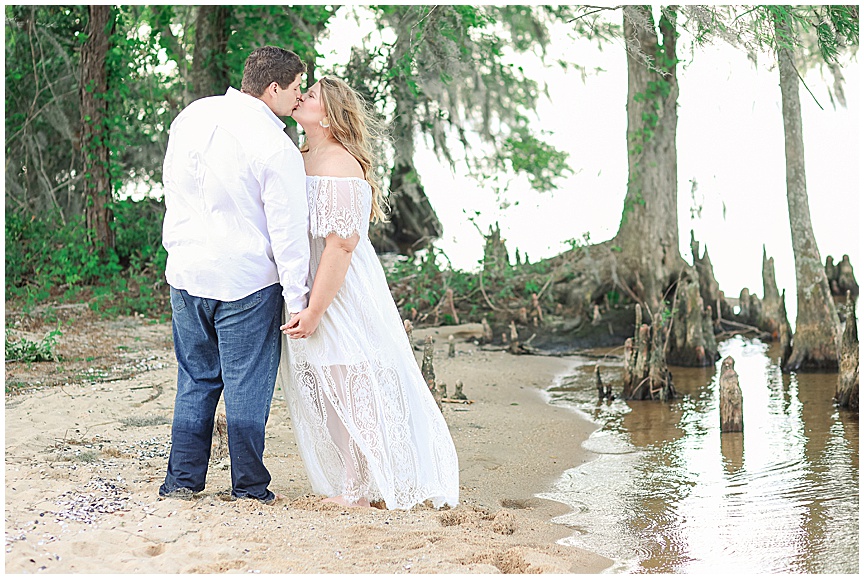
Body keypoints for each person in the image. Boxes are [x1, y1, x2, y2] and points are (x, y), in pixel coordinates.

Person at [277, 77, 459, 510]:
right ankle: (355, 481)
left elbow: (341, 244)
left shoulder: (341, 163)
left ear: (330, 112)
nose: (301, 96)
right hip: (307, 282)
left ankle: (367, 486)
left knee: (349, 382)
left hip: (340, 288)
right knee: (326, 388)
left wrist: (316, 307)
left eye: (312, 94)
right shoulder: (298, 154)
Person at [159, 46, 311, 505]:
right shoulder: (273, 144)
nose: (299, 99)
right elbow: (287, 233)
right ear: (274, 88)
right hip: (245, 280)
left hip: (186, 272)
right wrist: (298, 299)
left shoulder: (193, 115)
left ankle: (183, 482)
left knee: (197, 379)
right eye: (297, 88)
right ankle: (249, 488)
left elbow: (173, 187)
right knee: (246, 384)